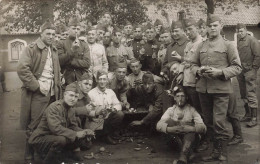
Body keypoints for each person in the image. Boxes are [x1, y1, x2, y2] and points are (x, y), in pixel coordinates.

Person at [191, 14, 242, 162]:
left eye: (215, 25)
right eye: (209, 26)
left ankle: (223, 152)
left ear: (221, 26)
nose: (212, 28)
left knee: (219, 122)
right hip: (203, 89)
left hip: (221, 90)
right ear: (206, 28)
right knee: (209, 122)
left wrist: (220, 72)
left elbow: (237, 67)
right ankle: (215, 151)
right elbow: (192, 64)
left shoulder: (228, 45)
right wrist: (198, 71)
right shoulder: (201, 45)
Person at [17, 20, 62, 161]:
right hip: (37, 93)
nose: (51, 36)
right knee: (34, 123)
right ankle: (28, 153)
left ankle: (42, 150)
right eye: (48, 33)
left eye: (53, 34)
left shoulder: (53, 49)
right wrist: (37, 86)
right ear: (41, 34)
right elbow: (22, 69)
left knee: (49, 123)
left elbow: (56, 69)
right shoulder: (31, 48)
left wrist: (59, 78)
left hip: (53, 92)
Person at [28, 83, 95, 163]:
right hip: (40, 138)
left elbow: (72, 126)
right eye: (71, 95)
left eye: (76, 96)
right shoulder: (55, 107)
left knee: (82, 137)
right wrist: (76, 134)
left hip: (54, 137)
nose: (73, 99)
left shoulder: (70, 109)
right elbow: (55, 128)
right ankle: (49, 161)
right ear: (65, 95)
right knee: (61, 139)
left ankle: (66, 155)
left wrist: (85, 132)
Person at [157, 85, 206, 164]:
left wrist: (191, 129)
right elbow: (158, 125)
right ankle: (188, 154)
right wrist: (170, 129)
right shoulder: (171, 110)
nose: (180, 99)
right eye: (178, 96)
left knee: (191, 128)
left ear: (186, 98)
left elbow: (203, 127)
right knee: (170, 122)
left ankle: (183, 158)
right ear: (174, 98)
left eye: (182, 96)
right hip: (174, 141)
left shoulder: (191, 110)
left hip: (190, 140)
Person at [87, 70, 125, 145]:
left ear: (107, 80)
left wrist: (113, 109)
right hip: (96, 120)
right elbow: (88, 111)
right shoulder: (91, 93)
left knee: (119, 114)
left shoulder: (110, 92)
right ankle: (103, 135)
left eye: (104, 79)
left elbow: (118, 105)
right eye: (100, 79)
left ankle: (108, 135)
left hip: (107, 118)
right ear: (97, 80)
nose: (102, 81)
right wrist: (97, 112)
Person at [177, 18, 203, 114]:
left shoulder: (202, 43)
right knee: (190, 107)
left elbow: (200, 63)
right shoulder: (188, 44)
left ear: (196, 28)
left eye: (190, 29)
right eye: (186, 30)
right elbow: (183, 62)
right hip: (187, 81)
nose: (188, 32)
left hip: (196, 82)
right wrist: (180, 73)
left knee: (199, 109)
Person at [236, 23, 260, 127]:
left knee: (251, 93)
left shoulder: (252, 40)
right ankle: (247, 114)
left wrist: (254, 68)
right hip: (241, 70)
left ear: (246, 30)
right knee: (243, 93)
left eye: (241, 31)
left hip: (250, 70)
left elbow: (258, 55)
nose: (240, 33)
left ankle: (254, 118)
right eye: (238, 31)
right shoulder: (238, 40)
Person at [57, 15, 91, 85]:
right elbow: (59, 61)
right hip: (66, 78)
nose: (76, 31)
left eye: (78, 29)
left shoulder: (84, 44)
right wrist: (72, 50)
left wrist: (70, 62)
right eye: (74, 28)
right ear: (68, 29)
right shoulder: (61, 43)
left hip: (81, 78)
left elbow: (87, 63)